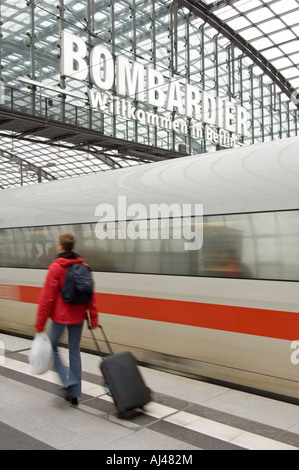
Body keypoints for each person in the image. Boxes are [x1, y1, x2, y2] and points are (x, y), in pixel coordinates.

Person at [35, 233, 99, 405]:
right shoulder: (83, 266)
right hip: (78, 317)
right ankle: (76, 393)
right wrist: (93, 318)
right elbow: (91, 295)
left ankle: (67, 382)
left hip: (60, 317)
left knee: (52, 348)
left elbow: (47, 298)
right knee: (74, 352)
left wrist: (39, 323)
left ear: (60, 246)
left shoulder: (56, 267)